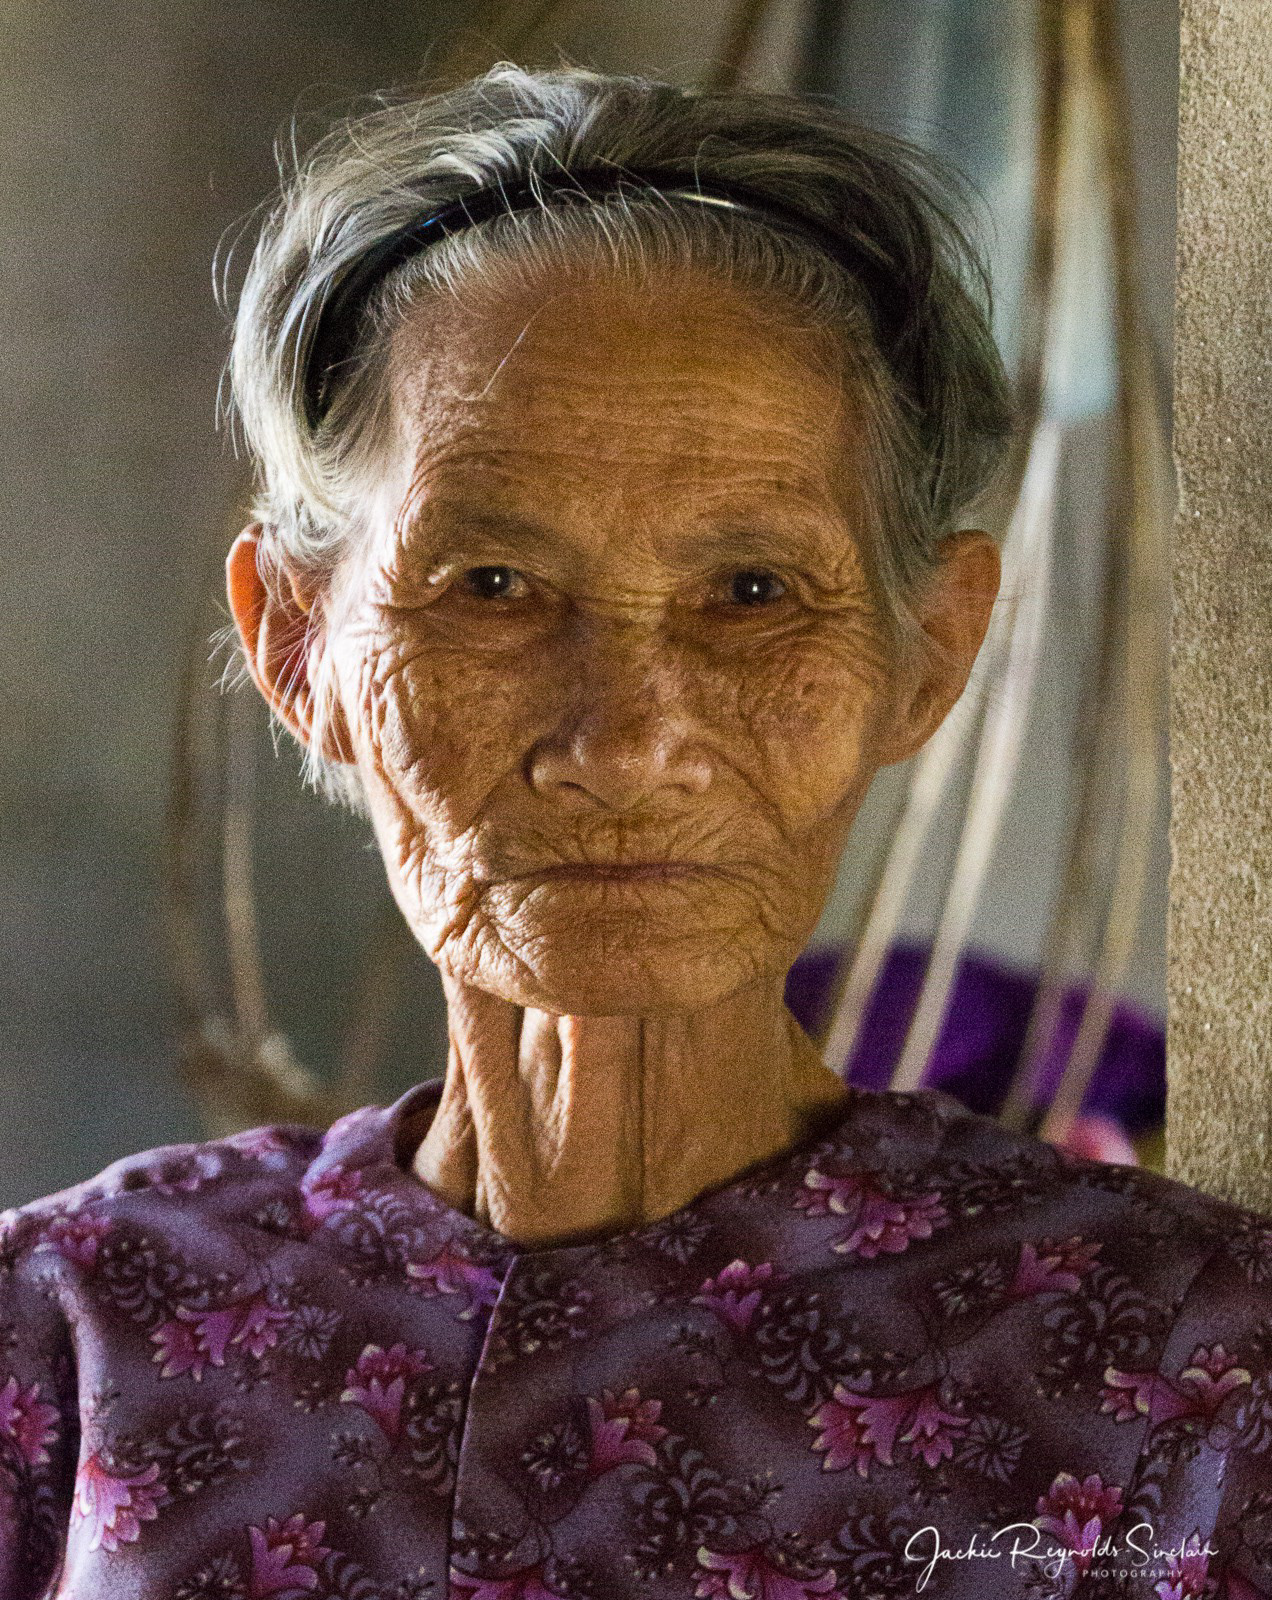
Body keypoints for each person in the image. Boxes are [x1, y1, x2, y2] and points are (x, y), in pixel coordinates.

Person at [2, 62, 1269, 1600]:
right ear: (294, 649)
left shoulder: (1199, 1373)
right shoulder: (69, 1336)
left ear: (926, 655)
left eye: (752, 593)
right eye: (491, 588)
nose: (624, 743)